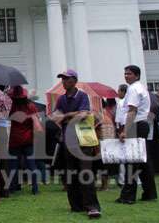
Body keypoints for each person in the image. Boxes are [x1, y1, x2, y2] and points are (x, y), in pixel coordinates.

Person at [51, 69, 101, 219]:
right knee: (71, 173)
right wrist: (72, 115)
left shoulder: (82, 95)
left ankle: (92, 207)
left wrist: (66, 115)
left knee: (86, 172)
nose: (63, 82)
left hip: (83, 139)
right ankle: (76, 205)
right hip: (68, 139)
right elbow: (55, 117)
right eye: (62, 79)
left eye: (66, 79)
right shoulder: (61, 99)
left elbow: (84, 114)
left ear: (74, 81)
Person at [116, 65, 157, 204]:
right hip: (142, 125)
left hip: (136, 125)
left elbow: (132, 111)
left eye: (129, 74)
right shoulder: (140, 88)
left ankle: (128, 196)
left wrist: (125, 131)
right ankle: (150, 193)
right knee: (144, 161)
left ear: (137, 76)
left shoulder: (133, 89)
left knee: (131, 162)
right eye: (125, 73)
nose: (126, 76)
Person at [8, 86, 39, 195]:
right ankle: (35, 188)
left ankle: (13, 187)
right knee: (32, 165)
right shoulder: (31, 107)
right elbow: (36, 123)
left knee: (13, 165)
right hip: (28, 139)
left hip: (14, 139)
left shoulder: (11, 108)